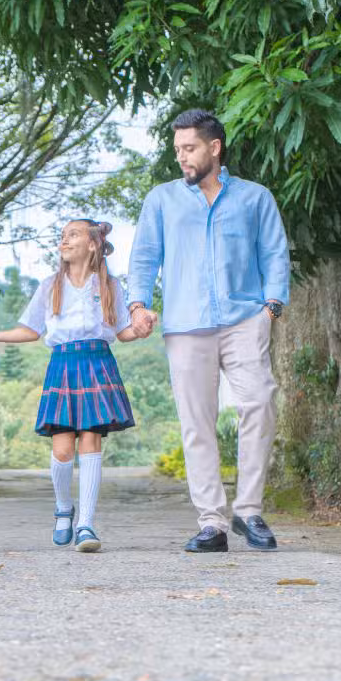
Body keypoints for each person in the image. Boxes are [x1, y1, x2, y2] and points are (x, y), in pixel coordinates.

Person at [127, 109, 290, 553]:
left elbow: (274, 253)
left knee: (259, 403)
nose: (181, 157)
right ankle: (212, 523)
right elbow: (144, 257)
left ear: (214, 148)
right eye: (177, 149)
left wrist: (271, 308)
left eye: (189, 148)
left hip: (245, 320)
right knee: (197, 423)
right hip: (186, 325)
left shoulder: (255, 198)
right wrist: (138, 305)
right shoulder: (162, 200)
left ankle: (248, 511)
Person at [0, 219, 140, 552]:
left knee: (91, 440)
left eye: (73, 235)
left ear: (93, 244)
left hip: (97, 362)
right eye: (63, 236)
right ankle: (63, 507)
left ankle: (86, 525)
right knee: (63, 448)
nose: (64, 241)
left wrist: (141, 328)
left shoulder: (110, 285)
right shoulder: (50, 286)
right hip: (63, 364)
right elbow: (30, 330)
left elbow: (124, 331)